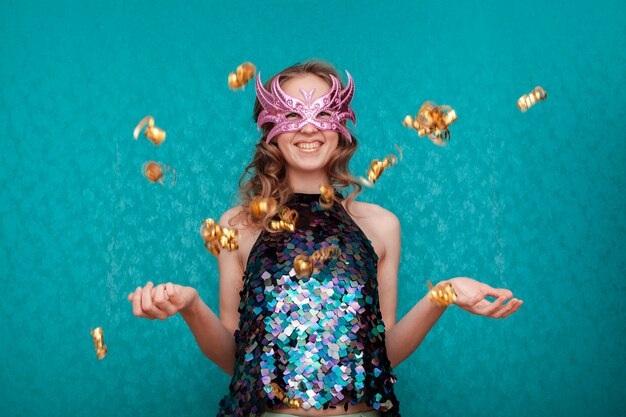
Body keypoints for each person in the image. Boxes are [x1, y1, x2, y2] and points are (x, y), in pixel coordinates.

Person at [128, 60, 523, 417]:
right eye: (291, 113)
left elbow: (380, 355)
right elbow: (238, 360)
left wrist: (446, 293)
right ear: (270, 131)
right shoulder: (238, 226)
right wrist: (191, 306)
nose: (309, 126)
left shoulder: (381, 226)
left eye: (323, 111)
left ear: (342, 125)